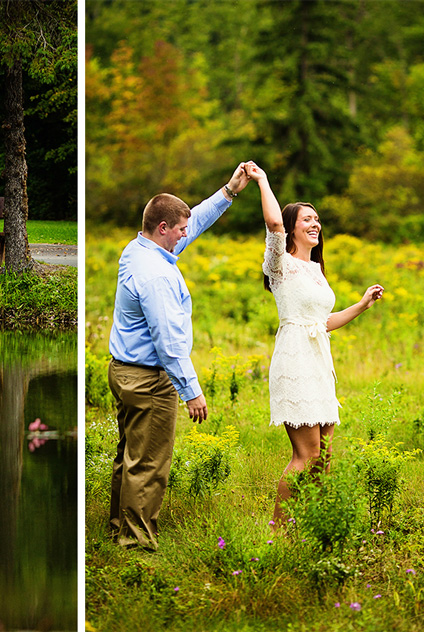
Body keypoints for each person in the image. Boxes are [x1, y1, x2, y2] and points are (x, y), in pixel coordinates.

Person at [108, 163, 252, 551]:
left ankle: (118, 525)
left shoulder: (138, 249)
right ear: (163, 229)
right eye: (181, 229)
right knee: (150, 463)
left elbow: (193, 224)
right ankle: (136, 544)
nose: (186, 234)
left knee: (130, 454)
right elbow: (169, 343)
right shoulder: (157, 276)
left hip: (122, 371)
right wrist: (192, 391)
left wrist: (229, 192)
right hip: (148, 379)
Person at [245, 161, 384, 528]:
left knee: (324, 457)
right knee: (306, 455)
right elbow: (273, 224)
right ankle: (278, 533)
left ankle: (313, 526)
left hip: (320, 362)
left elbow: (323, 323)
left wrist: (361, 304)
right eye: (307, 219)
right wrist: (262, 180)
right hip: (295, 361)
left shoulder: (316, 270)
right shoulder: (280, 264)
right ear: (292, 228)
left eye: (317, 218)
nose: (315, 224)